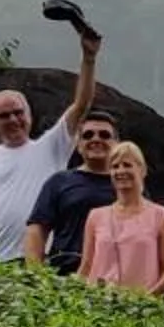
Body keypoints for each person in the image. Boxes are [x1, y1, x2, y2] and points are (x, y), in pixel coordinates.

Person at [0, 32, 102, 259]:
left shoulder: (51, 148)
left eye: (18, 112)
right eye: (4, 116)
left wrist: (89, 59)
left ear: (29, 115)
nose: (13, 120)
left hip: (35, 262)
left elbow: (81, 106)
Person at [23, 109, 121, 274]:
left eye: (104, 135)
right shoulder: (59, 182)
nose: (96, 139)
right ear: (78, 144)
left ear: (117, 144)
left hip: (115, 277)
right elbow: (37, 229)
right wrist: (36, 275)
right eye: (88, 135)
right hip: (66, 275)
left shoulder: (129, 185)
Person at [75, 141, 164, 293]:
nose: (120, 171)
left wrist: (150, 298)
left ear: (142, 170)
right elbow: (86, 266)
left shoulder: (161, 216)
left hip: (139, 303)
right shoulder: (95, 216)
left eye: (127, 165)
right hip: (97, 301)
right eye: (115, 166)